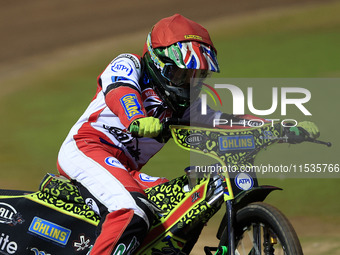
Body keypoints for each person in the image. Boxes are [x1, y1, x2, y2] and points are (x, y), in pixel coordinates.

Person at [57, 14, 319, 255]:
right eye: (181, 73)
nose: (187, 83)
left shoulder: (185, 106)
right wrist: (136, 119)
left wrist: (282, 127)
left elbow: (225, 121)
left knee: (182, 201)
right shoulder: (128, 64)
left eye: (195, 76)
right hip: (86, 149)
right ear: (160, 63)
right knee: (132, 211)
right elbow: (120, 91)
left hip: (126, 171)